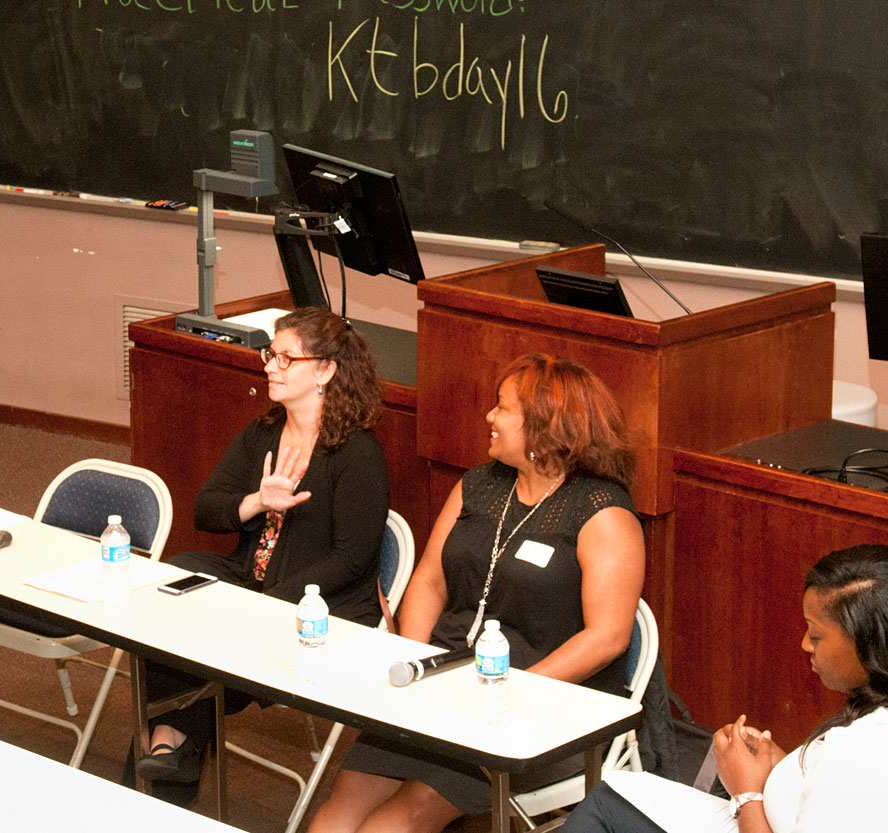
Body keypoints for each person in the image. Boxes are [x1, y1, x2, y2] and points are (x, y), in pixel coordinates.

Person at [310, 352, 645, 833]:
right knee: (339, 813)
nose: (489, 417)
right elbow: (428, 578)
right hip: (445, 683)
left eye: (503, 408)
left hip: (539, 704)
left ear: (546, 425)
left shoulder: (600, 512)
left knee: (398, 821)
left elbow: (608, 637)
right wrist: (418, 661)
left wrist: (511, 692)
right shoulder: (479, 486)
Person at [130, 306, 390, 805]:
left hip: (323, 604)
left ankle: (166, 753)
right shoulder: (265, 432)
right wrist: (257, 502)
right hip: (252, 581)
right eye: (271, 354)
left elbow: (351, 560)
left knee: (211, 641)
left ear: (325, 371)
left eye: (285, 358)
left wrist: (264, 603)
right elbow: (207, 509)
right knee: (167, 585)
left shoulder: (357, 453)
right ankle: (172, 750)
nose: (269, 365)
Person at [563, 544, 888, 833]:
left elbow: (854, 779)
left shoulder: (861, 752)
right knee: (619, 794)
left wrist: (746, 792)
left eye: (816, 635)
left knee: (606, 806)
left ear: (869, 644)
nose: (805, 645)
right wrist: (783, 764)